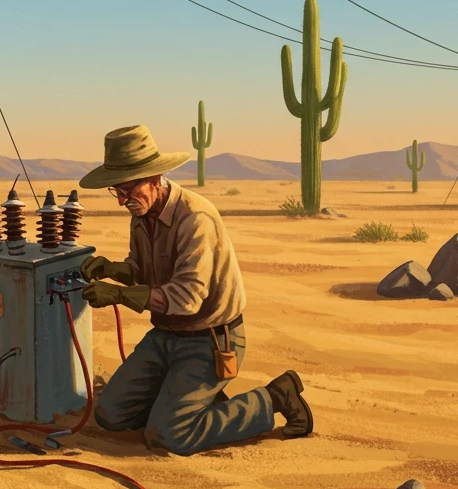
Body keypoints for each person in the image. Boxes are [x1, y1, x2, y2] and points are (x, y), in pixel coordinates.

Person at [77, 124, 313, 456]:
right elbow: (143, 270)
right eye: (117, 191)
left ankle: (274, 396)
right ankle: (185, 402)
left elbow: (187, 299)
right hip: (165, 337)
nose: (122, 201)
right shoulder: (142, 213)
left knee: (168, 437)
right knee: (110, 415)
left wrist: (116, 295)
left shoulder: (195, 218)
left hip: (210, 340)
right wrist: (114, 270)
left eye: (129, 190)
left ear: (156, 177)